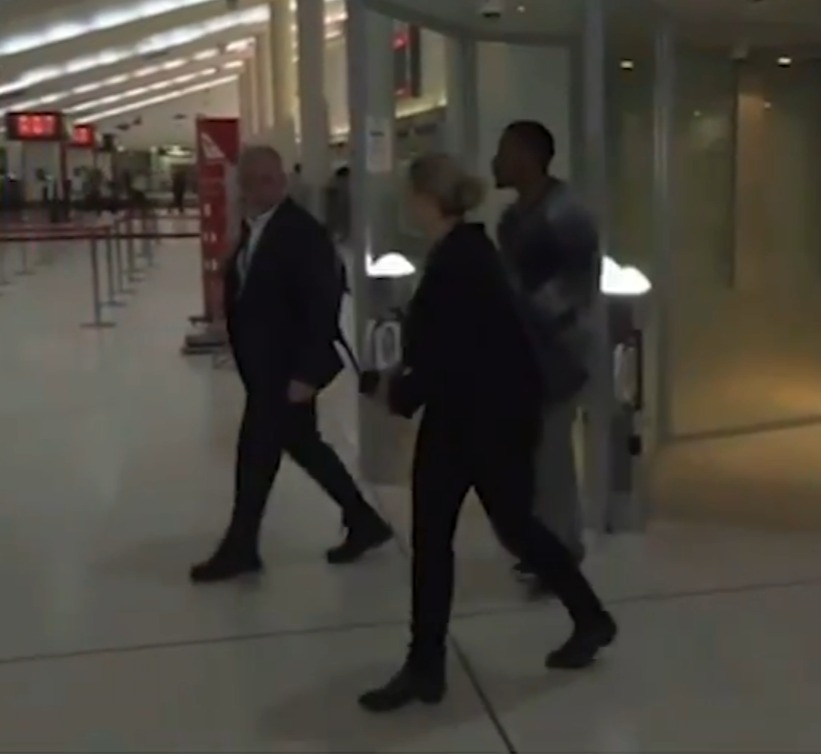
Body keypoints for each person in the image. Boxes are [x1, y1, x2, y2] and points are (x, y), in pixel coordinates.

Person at [358, 153, 616, 714]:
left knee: (501, 530)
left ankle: (586, 619)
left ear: (428, 199)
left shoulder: (461, 261)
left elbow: (448, 356)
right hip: (478, 418)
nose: (407, 204)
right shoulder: (465, 250)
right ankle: (428, 662)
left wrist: (395, 394)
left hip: (479, 422)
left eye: (411, 195)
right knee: (464, 534)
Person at [190, 145, 392, 584]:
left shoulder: (300, 232)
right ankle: (363, 520)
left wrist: (307, 374)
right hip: (266, 367)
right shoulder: (255, 228)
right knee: (302, 445)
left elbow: (322, 305)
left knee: (255, 455)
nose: (261, 187)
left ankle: (241, 546)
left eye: (269, 178)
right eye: (252, 180)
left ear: (282, 181)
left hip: (286, 372)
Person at [492, 121, 598, 582]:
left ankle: (562, 550)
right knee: (532, 454)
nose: (496, 161)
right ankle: (542, 544)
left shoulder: (565, 212)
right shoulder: (513, 219)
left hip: (558, 353)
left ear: (528, 157)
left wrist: (528, 316)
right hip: (525, 352)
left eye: (504, 151)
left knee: (553, 455)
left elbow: (577, 285)